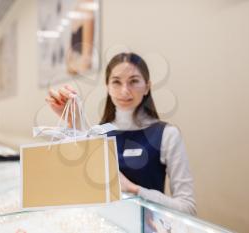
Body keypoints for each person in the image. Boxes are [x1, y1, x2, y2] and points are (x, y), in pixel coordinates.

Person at [46, 52, 196, 215]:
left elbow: (188, 208)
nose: (125, 91)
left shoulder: (167, 134)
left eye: (134, 81)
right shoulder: (97, 134)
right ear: (108, 87)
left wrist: (133, 189)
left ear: (147, 86)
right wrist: (72, 120)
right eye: (116, 82)